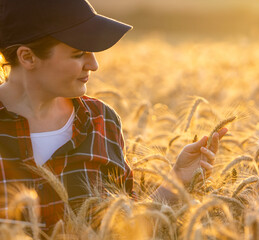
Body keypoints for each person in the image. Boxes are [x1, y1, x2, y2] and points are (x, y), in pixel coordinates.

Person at [0, 0, 227, 230]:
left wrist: (177, 178)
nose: (94, 64)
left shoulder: (102, 120)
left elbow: (125, 224)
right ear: (27, 57)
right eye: (78, 54)